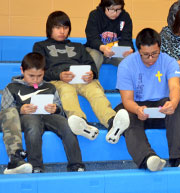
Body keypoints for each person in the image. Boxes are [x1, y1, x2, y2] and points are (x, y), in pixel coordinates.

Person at [33, 11, 129, 144]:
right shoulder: (40, 46)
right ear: (50, 29)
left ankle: (112, 122)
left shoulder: (77, 46)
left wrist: (92, 74)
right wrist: (59, 74)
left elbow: (91, 64)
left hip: (82, 79)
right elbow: (39, 69)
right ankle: (80, 122)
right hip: (58, 80)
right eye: (57, 27)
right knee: (67, 91)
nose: (62, 31)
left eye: (65, 27)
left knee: (95, 91)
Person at [115, 28, 180, 172]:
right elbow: (127, 100)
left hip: (160, 108)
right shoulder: (126, 65)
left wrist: (173, 103)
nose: (151, 59)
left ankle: (177, 157)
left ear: (160, 48)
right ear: (138, 51)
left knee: (177, 105)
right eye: (146, 55)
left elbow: (175, 88)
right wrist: (137, 109)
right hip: (137, 108)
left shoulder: (169, 62)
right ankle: (148, 159)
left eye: (154, 54)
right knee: (125, 115)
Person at [1, 52, 85, 173]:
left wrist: (55, 109)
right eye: (31, 76)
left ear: (44, 72)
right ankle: (36, 166)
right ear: (22, 70)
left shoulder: (50, 87)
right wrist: (21, 110)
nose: (35, 80)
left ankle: (76, 165)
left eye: (39, 76)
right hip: (26, 118)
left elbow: (60, 109)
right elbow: (6, 112)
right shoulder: (11, 87)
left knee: (66, 125)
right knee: (32, 123)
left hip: (48, 116)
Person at [85, 0, 134, 71]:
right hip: (96, 49)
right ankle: (90, 83)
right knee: (95, 57)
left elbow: (126, 39)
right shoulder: (94, 15)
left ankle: (128, 83)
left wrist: (129, 50)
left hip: (115, 52)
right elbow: (92, 39)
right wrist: (103, 48)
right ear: (104, 7)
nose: (115, 13)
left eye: (118, 9)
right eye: (111, 9)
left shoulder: (125, 17)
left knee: (128, 62)